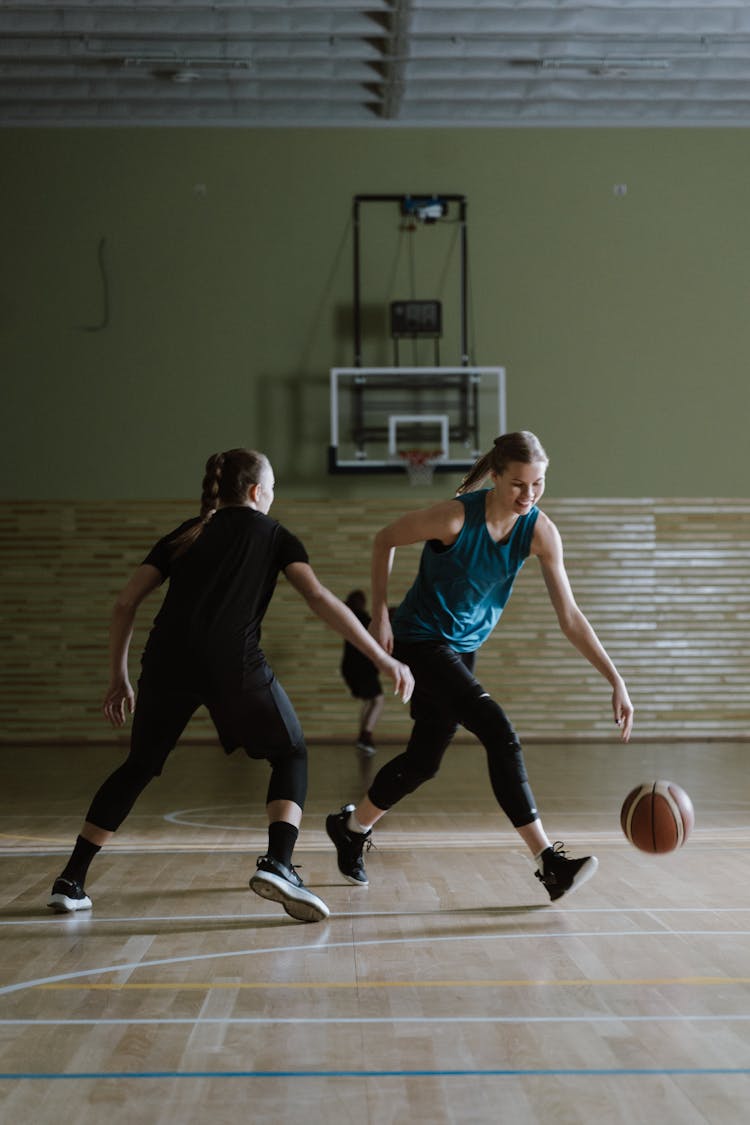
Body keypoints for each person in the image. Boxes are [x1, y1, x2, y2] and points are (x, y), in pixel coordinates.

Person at [47, 449, 413, 924]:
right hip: (232, 663)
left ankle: (70, 880)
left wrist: (118, 676)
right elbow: (319, 598)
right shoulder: (275, 534)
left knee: (138, 766)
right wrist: (383, 657)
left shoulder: (186, 531)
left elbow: (124, 603)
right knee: (291, 753)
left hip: (165, 661)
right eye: (274, 487)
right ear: (258, 492)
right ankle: (279, 862)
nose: (274, 495)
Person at [326, 431, 633, 902]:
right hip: (420, 640)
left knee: (424, 761)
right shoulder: (454, 518)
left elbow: (569, 617)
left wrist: (615, 677)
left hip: (460, 649)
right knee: (499, 730)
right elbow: (385, 539)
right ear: (495, 476)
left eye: (538, 485)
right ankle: (549, 863)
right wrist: (382, 612)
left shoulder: (539, 531)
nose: (528, 496)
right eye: (518, 485)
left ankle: (350, 829)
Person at [340, 590, 385, 755]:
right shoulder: (364, 620)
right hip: (362, 669)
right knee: (378, 701)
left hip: (351, 668)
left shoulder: (348, 619)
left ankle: (363, 737)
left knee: (369, 701)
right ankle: (366, 736)